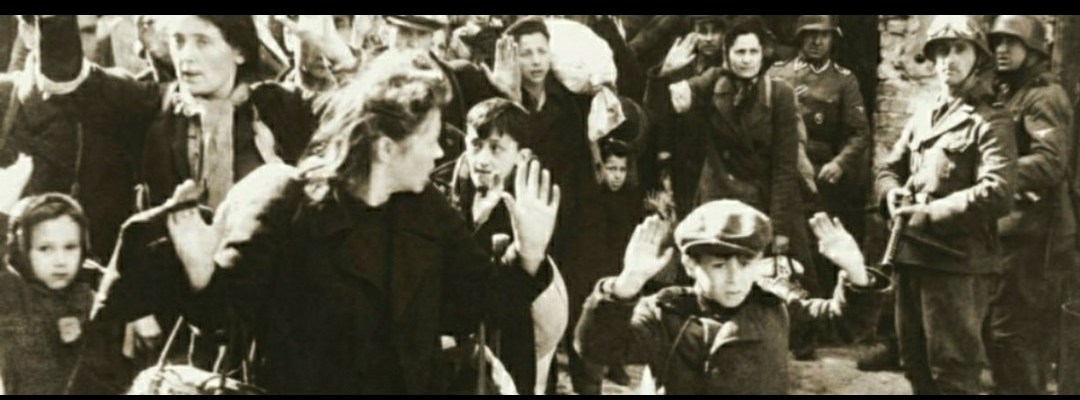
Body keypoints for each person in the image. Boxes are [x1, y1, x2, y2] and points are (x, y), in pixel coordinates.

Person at [162, 50, 563, 394]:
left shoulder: (429, 210)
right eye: (430, 139)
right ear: (387, 148)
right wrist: (201, 274)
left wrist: (528, 255)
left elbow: (476, 306)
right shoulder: (290, 204)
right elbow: (224, 322)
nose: (439, 152)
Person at [574, 200, 889, 394]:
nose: (735, 278)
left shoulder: (776, 307)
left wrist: (856, 272)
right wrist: (626, 285)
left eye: (746, 264)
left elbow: (843, 324)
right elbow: (596, 347)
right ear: (690, 266)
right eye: (719, 266)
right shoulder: (666, 313)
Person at [874, 15, 1017, 395]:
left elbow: (998, 190)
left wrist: (931, 212)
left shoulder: (991, 120)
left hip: (957, 265)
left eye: (959, 50)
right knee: (914, 364)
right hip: (911, 258)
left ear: (978, 58)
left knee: (953, 374)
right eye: (940, 51)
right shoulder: (924, 114)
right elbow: (889, 168)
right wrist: (891, 194)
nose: (948, 60)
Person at [445, 97, 569, 394]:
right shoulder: (444, 193)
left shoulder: (531, 204)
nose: (482, 159)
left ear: (521, 156)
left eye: (496, 148)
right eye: (476, 145)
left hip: (514, 335)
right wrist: (475, 223)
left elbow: (515, 297)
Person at [985, 15, 1075, 395]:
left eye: (1012, 42)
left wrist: (989, 170)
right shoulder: (1010, 91)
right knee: (999, 332)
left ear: (1034, 49)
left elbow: (1050, 162)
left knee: (1016, 336)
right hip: (1011, 232)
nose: (1002, 50)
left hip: (1035, 238)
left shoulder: (1044, 96)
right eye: (997, 42)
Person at [0, 154, 96, 394]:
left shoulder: (88, 296)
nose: (60, 261)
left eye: (70, 247)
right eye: (45, 249)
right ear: (22, 251)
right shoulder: (12, 294)